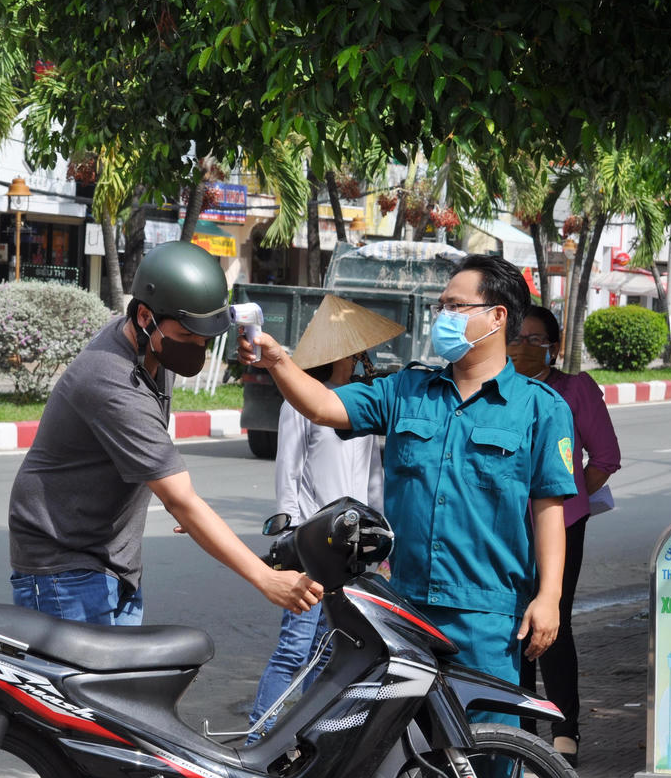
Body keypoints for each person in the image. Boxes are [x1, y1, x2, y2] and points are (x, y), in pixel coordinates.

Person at [237, 254, 576, 722]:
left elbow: (548, 509)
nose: (443, 317)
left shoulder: (539, 408)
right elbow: (324, 406)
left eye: (456, 306)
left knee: (488, 755)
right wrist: (278, 361)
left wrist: (549, 597)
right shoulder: (406, 390)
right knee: (399, 753)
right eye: (442, 306)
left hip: (487, 616)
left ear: (496, 317)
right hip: (405, 609)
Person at [9, 240, 322, 626]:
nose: (197, 348)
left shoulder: (154, 348)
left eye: (205, 339)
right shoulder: (113, 381)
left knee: (121, 684)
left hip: (113, 558)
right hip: (65, 567)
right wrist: (267, 579)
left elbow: (232, 315)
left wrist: (260, 346)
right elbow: (182, 500)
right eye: (189, 336)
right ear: (144, 316)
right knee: (83, 686)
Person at [247, 295, 400, 740]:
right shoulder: (299, 404)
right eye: (351, 350)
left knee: (327, 649)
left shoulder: (365, 406)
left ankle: (303, 735)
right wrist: (291, 536)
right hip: (312, 545)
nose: (359, 357)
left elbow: (374, 480)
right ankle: (260, 734)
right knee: (295, 647)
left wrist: (381, 540)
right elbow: (287, 477)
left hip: (350, 550)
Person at [513, 305, 620, 767]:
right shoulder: (497, 390)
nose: (525, 347)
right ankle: (518, 728)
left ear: (553, 347)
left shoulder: (574, 390)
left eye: (537, 339)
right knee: (512, 626)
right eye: (519, 337)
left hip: (563, 525)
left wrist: (565, 502)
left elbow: (604, 458)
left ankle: (564, 728)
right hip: (504, 527)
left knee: (553, 624)